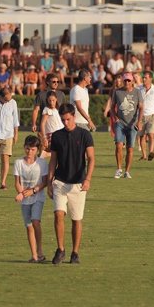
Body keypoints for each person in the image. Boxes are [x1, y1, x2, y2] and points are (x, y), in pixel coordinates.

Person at [48, 103, 95, 265]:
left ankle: (75, 253)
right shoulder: (56, 136)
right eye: (62, 120)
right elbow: (53, 160)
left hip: (78, 184)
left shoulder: (85, 135)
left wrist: (87, 179)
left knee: (76, 220)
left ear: (74, 116)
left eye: (68, 119)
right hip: (60, 182)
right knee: (58, 214)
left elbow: (91, 159)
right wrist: (49, 182)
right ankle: (60, 249)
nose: (65, 122)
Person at [13, 135, 49, 263]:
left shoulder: (42, 163)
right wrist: (21, 193)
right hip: (25, 200)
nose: (30, 152)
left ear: (37, 150)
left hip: (38, 197)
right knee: (28, 226)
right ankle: (34, 255)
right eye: (28, 149)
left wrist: (33, 190)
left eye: (33, 149)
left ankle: (40, 250)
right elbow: (17, 182)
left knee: (35, 221)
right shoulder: (18, 163)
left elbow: (44, 182)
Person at [111, 72, 143, 179]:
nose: (127, 82)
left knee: (130, 149)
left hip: (132, 124)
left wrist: (139, 121)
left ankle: (127, 171)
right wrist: (115, 117)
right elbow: (112, 107)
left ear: (133, 81)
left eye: (129, 80)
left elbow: (141, 108)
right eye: (125, 80)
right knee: (119, 145)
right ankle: (119, 169)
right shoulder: (117, 92)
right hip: (120, 123)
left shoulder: (137, 92)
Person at [137, 71, 154, 161]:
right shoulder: (138, 89)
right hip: (141, 115)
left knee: (151, 134)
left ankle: (151, 152)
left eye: (145, 78)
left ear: (151, 79)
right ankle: (144, 155)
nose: (143, 79)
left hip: (152, 115)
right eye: (143, 78)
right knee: (142, 136)